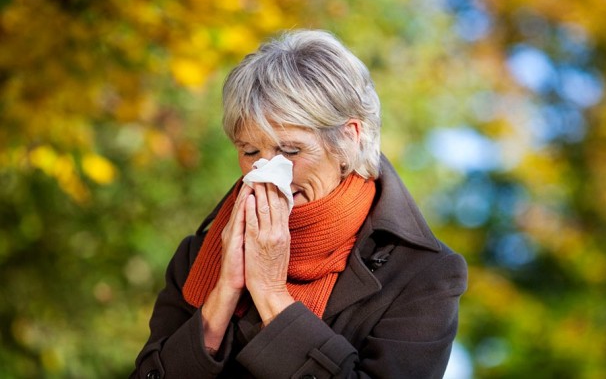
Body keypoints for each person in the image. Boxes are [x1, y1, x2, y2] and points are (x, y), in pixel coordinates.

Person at [131, 29, 467, 379]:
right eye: (250, 151)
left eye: (290, 151)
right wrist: (222, 297)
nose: (268, 169)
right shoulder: (202, 254)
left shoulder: (424, 274)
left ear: (349, 140)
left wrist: (271, 295)